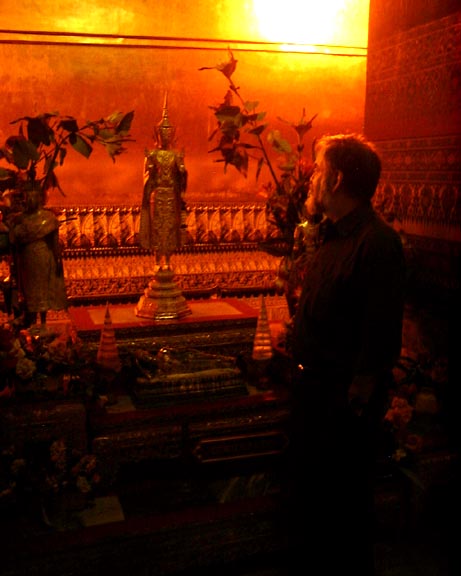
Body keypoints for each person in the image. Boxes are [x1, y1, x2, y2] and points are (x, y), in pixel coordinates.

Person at [284, 133, 406, 575]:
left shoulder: (377, 243)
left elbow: (380, 332)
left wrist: (357, 394)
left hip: (340, 405)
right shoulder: (332, 238)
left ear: (335, 179)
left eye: (318, 170)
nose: (312, 180)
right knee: (312, 510)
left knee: (343, 515)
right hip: (311, 394)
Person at [139, 94, 188, 269]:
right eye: (163, 132)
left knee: (170, 229)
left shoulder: (176, 156)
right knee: (157, 229)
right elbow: (147, 178)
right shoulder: (152, 155)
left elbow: (182, 181)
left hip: (171, 196)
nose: (166, 135)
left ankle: (168, 260)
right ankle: (157, 260)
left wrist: (183, 172)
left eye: (168, 132)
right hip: (157, 196)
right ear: (158, 134)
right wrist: (150, 171)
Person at [8, 186, 67, 328]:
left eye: (31, 197)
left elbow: (54, 241)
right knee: (30, 290)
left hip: (43, 256)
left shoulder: (48, 218)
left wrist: (57, 258)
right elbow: (13, 238)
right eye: (26, 197)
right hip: (27, 258)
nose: (28, 200)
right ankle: (31, 320)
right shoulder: (20, 219)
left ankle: (43, 322)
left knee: (43, 290)